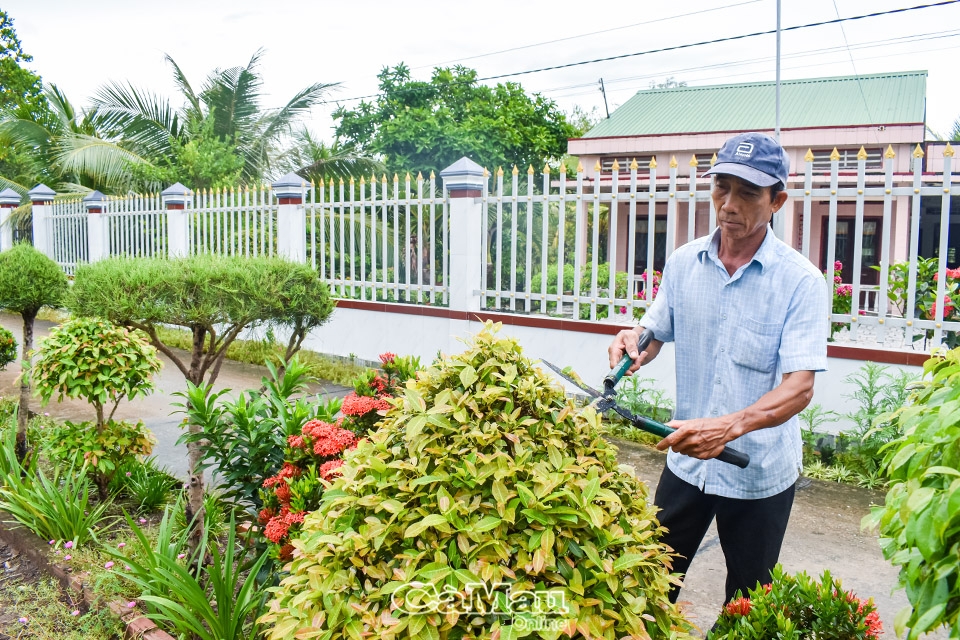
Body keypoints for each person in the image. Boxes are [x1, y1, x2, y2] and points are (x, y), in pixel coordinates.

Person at [607, 131, 828, 606]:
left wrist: (729, 427)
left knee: (746, 606)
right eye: (721, 187)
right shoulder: (686, 262)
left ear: (777, 201)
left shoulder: (801, 282)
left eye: (747, 192)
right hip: (687, 461)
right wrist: (635, 343)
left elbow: (800, 387)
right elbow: (655, 332)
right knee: (646, 588)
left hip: (757, 472)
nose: (729, 204)